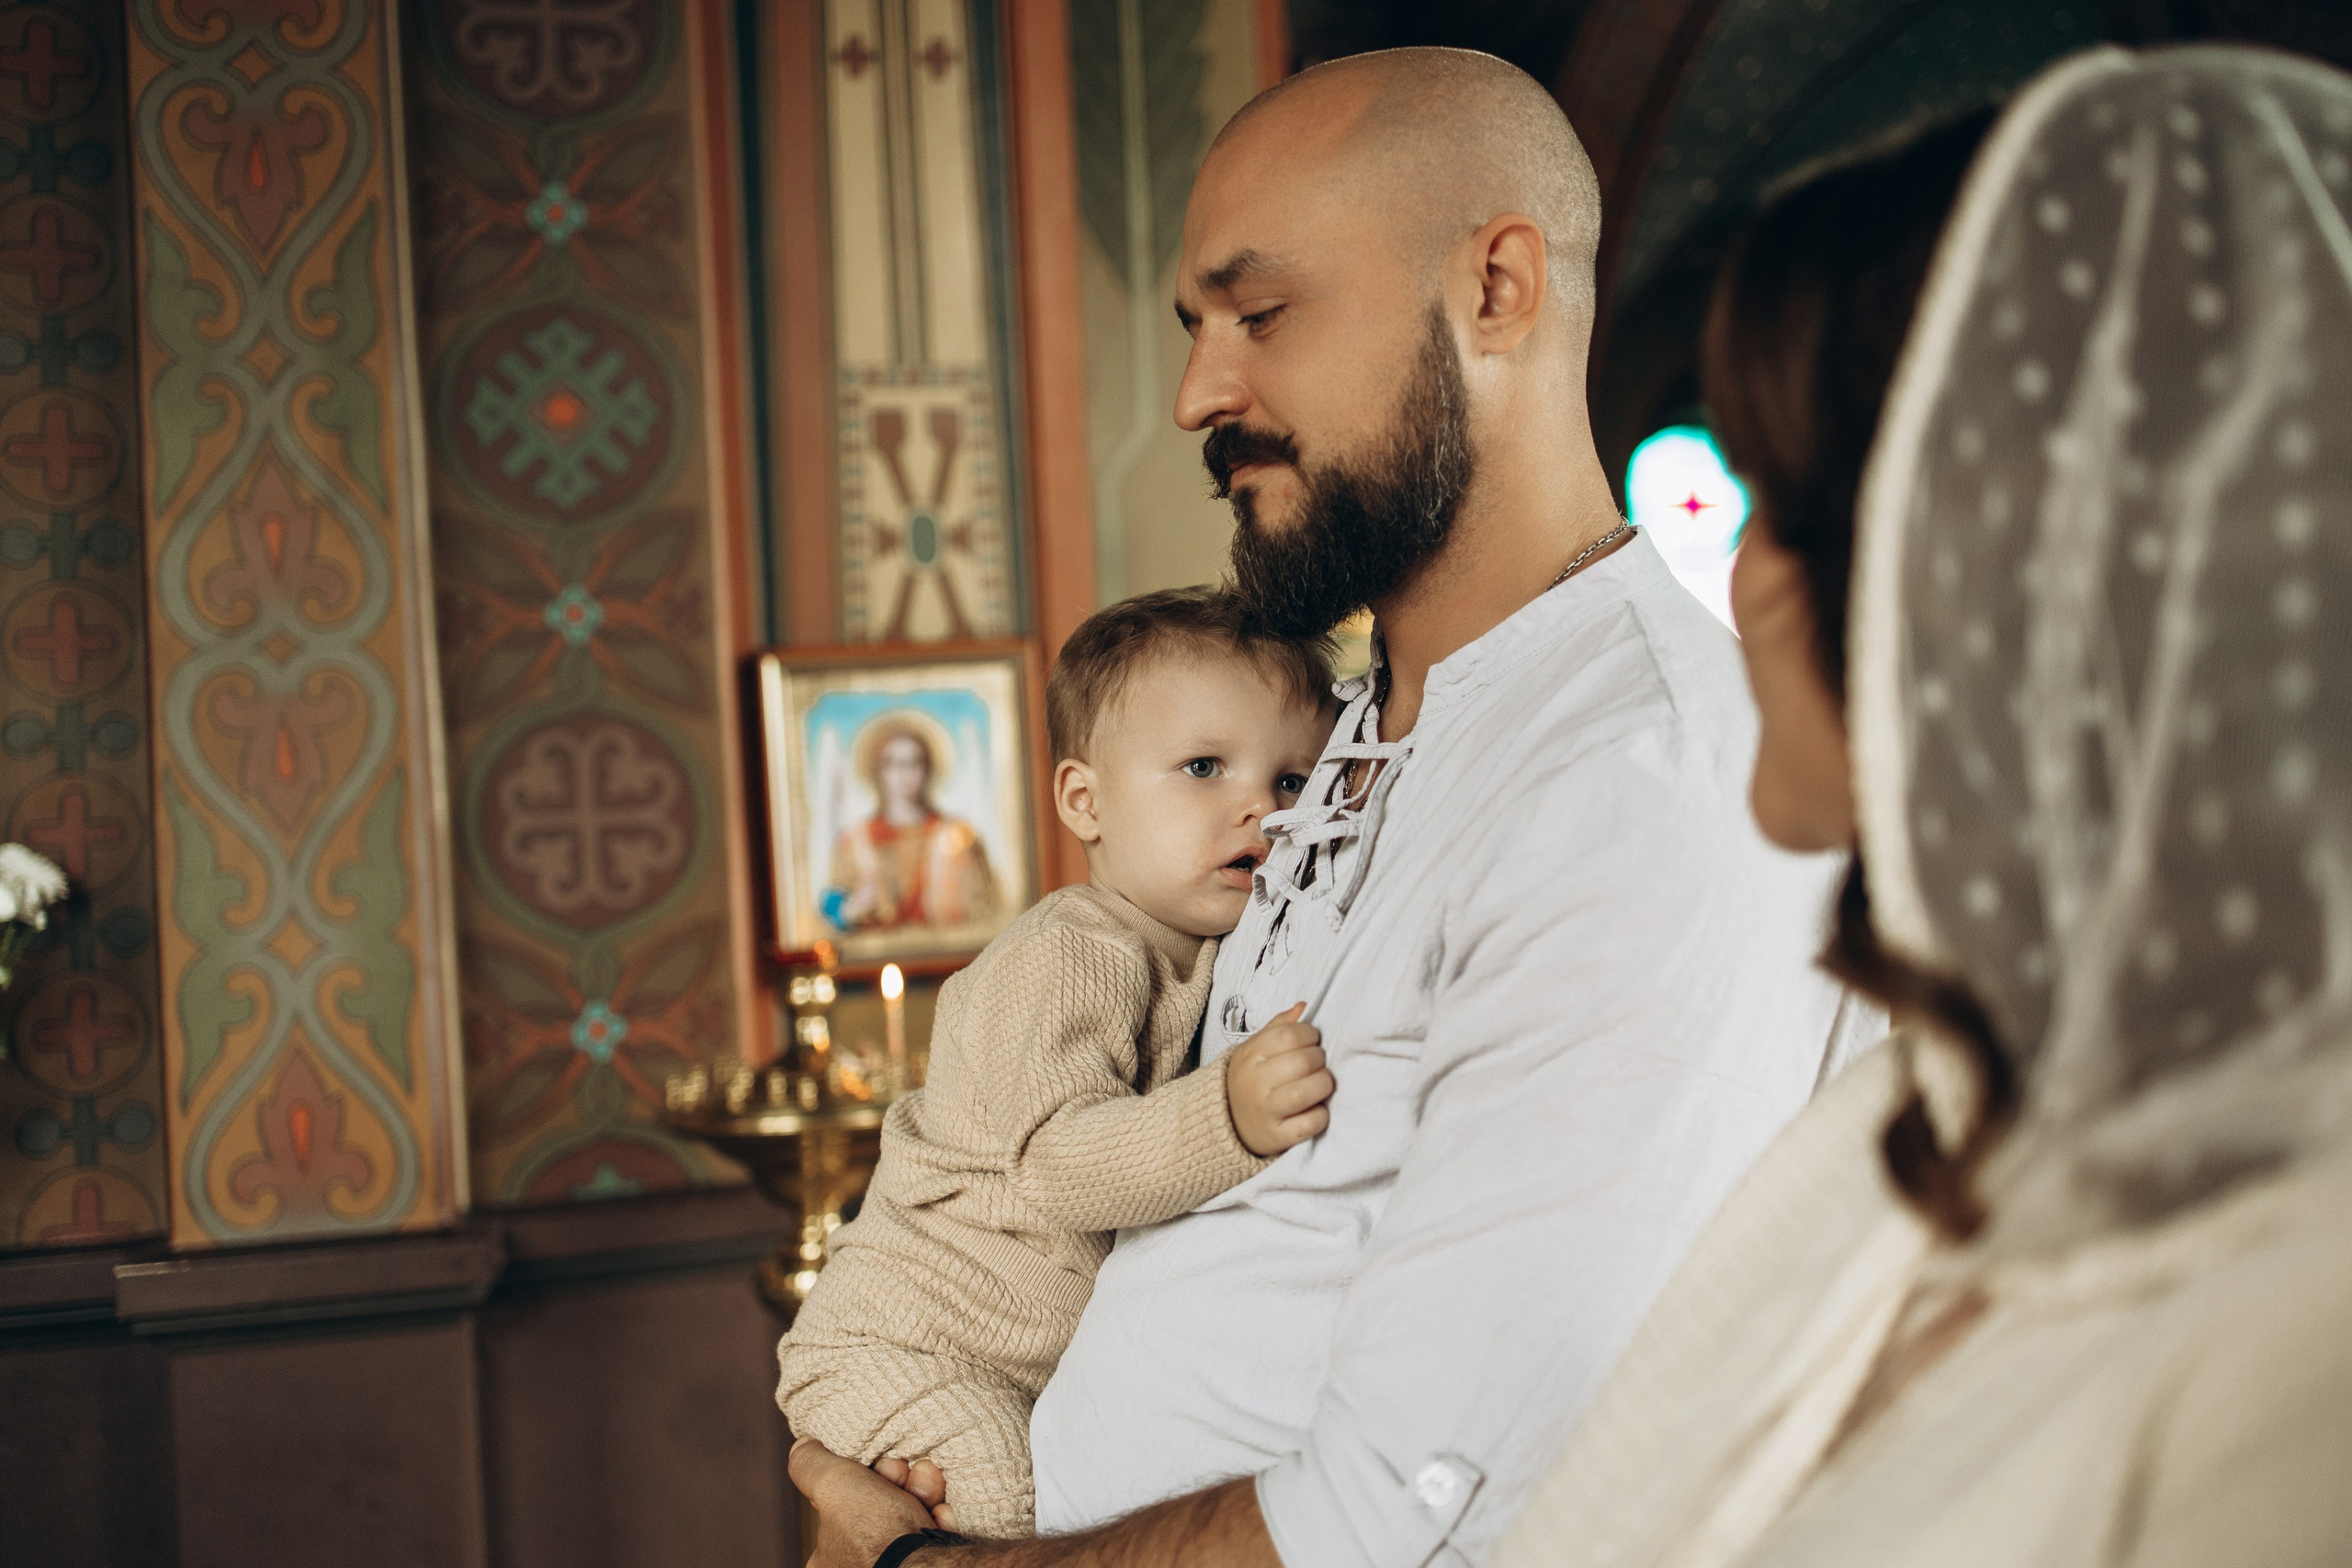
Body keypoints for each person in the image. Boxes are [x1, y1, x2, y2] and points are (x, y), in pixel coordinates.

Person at [790, 46, 1869, 1567]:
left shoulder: (1636, 775)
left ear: (1496, 289)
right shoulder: (1335, 734)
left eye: (1262, 314)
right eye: (1194, 327)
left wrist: (920, 1566)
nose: (1195, 394)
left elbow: (1422, 1506)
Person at [1496, 43, 2352, 1566]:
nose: (1740, 572)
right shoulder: (1909, 1123)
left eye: (1780, 494)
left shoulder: (2305, 1335)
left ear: (1975, 569)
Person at [779, 589, 1340, 1538]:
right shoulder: (1069, 951)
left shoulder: (1204, 949)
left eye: (1292, 779)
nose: (1260, 806)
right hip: (908, 1343)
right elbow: (1059, 1165)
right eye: (1204, 767)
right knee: (1005, 1503)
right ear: (1085, 801)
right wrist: (1229, 1116)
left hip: (1005, 1356)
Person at [823, 716, 998, 932]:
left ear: (928, 768)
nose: (903, 773)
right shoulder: (855, 840)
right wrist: (853, 908)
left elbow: (987, 903)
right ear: (878, 771)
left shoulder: (955, 835)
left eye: (914, 762)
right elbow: (830, 906)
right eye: (892, 763)